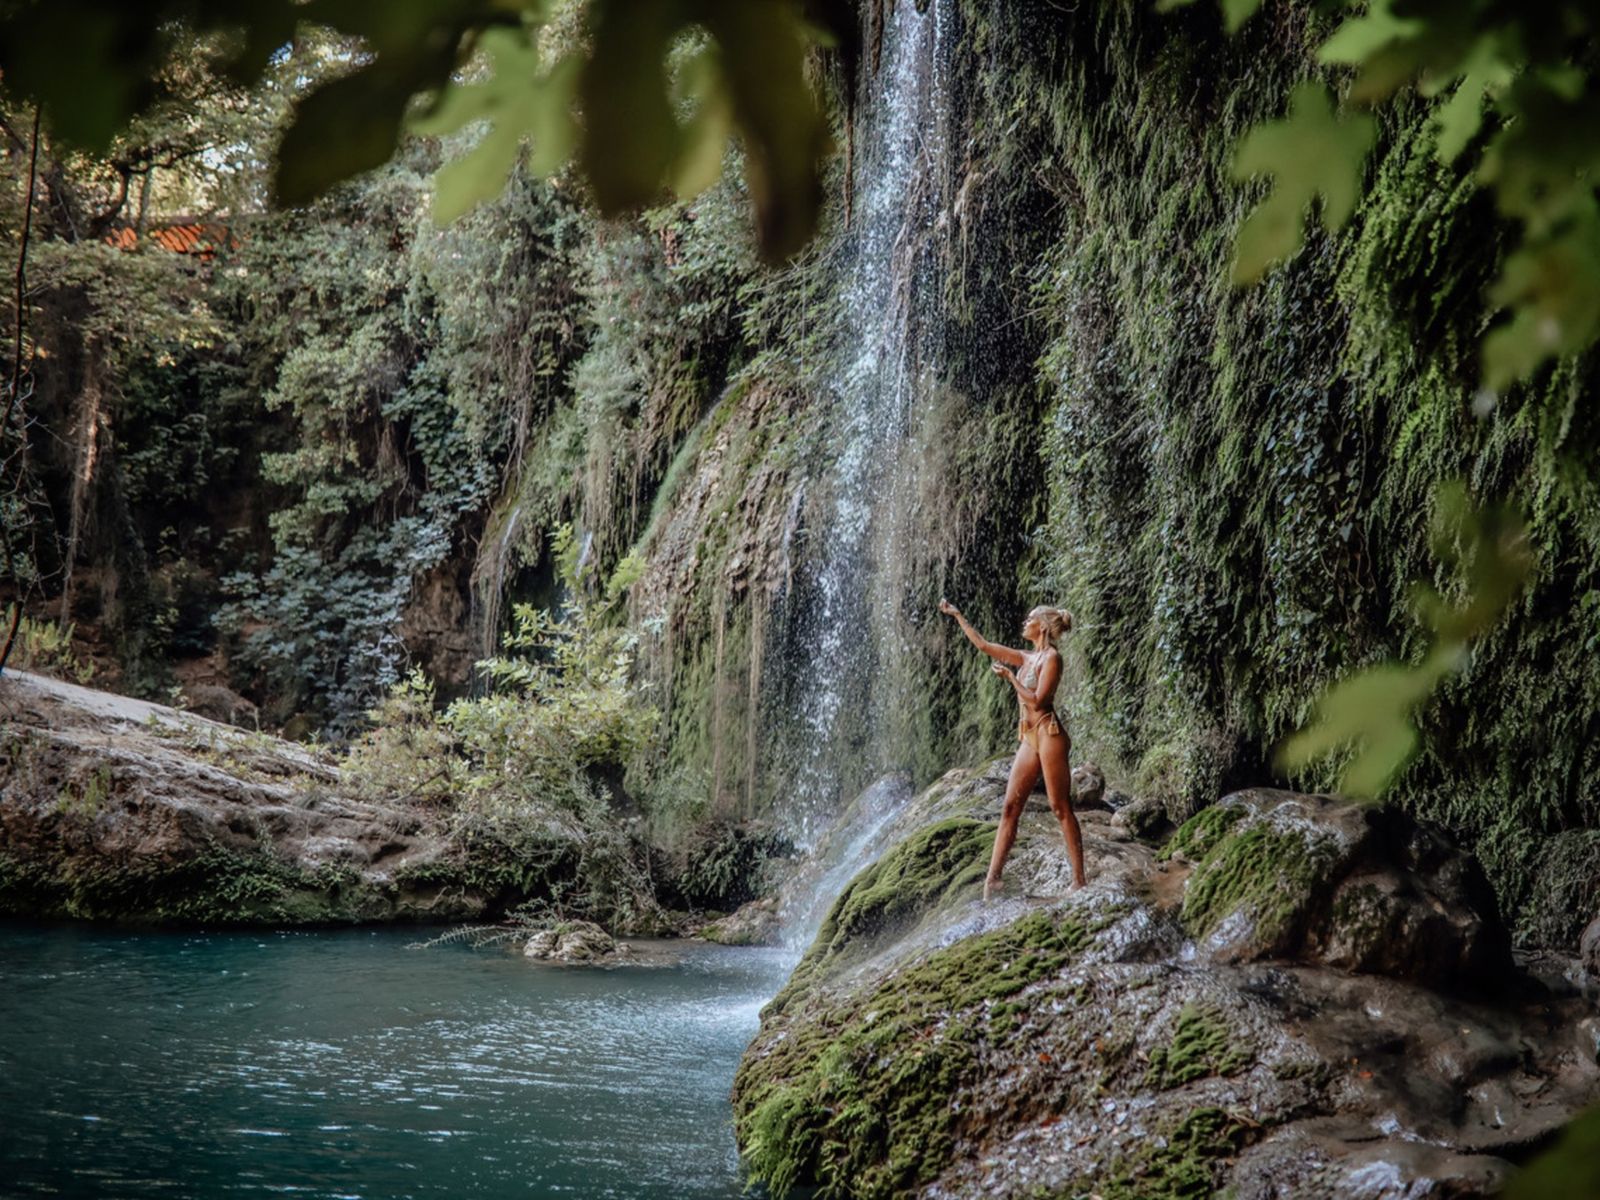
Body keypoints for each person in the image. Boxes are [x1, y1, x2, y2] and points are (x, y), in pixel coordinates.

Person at [939, 598, 1087, 899]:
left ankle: (1079, 880)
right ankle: (992, 880)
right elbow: (983, 645)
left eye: (1030, 619)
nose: (1025, 622)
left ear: (1042, 626)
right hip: (1030, 736)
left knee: (1060, 807)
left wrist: (1010, 679)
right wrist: (958, 615)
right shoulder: (1027, 657)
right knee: (1010, 807)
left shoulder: (1051, 659)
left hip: (1049, 734)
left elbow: (1038, 701)